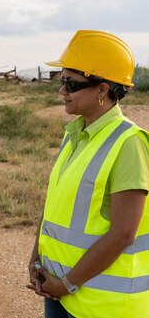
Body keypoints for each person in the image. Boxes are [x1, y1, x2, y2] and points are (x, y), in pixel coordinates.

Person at [27, 30, 149, 318]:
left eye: (71, 83)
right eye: (61, 80)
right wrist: (35, 260)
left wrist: (67, 284)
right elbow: (54, 208)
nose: (62, 90)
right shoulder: (74, 136)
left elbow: (123, 234)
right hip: (60, 295)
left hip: (103, 307)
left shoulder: (129, 143)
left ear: (102, 90)